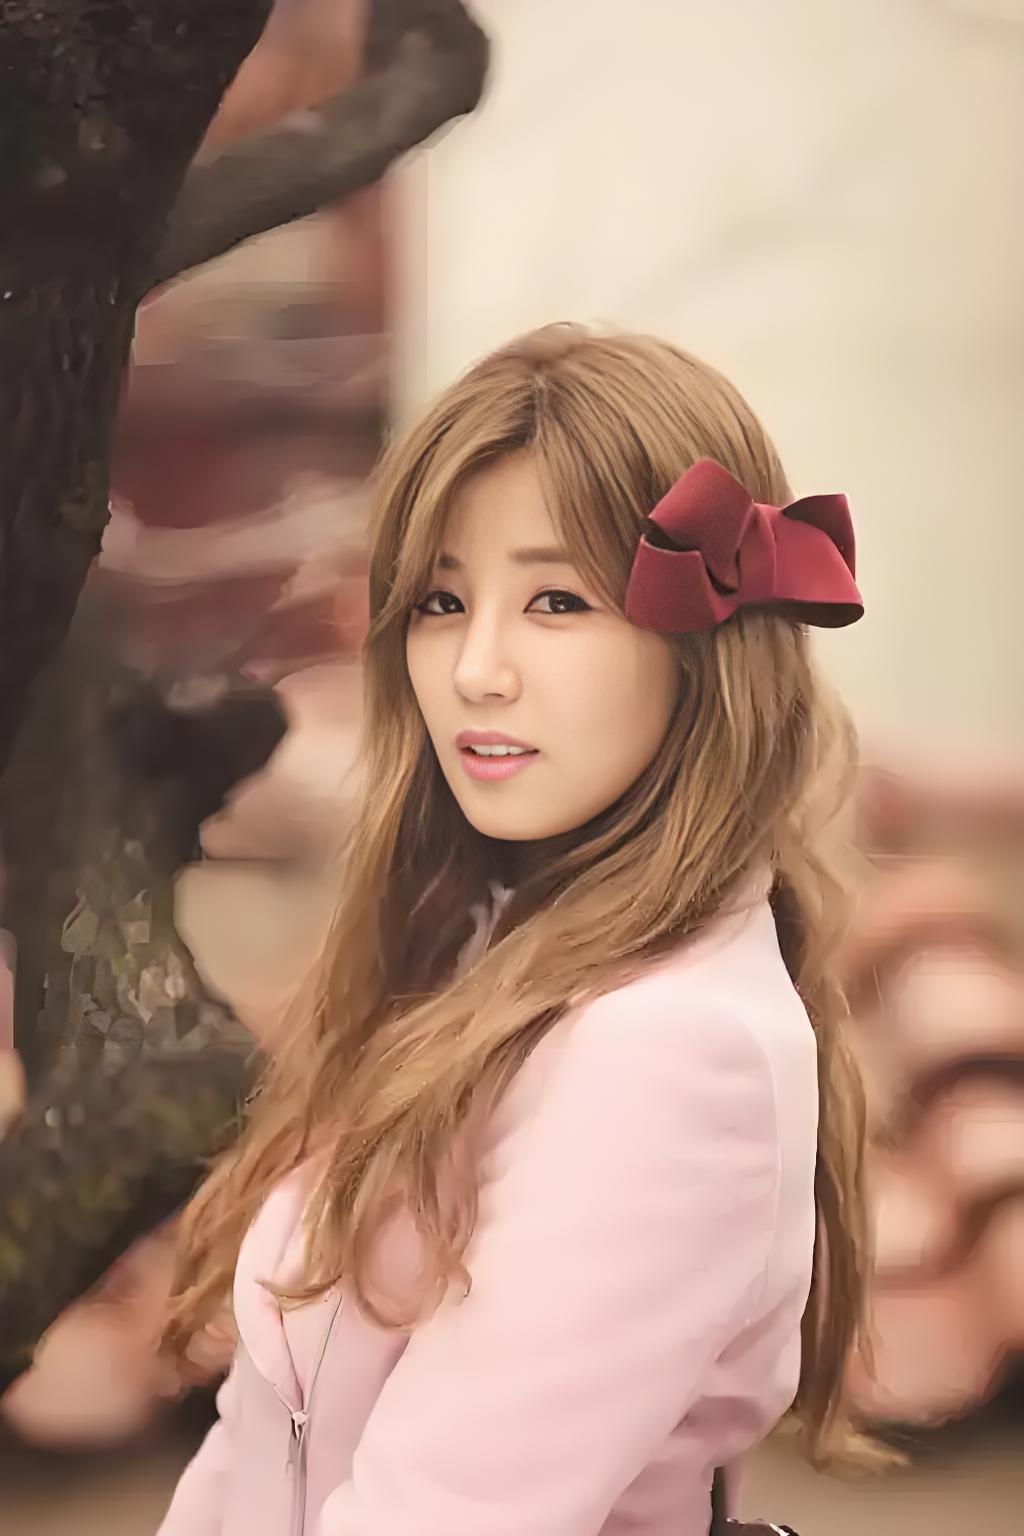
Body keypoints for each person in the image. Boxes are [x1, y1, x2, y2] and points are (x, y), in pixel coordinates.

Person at [156, 325, 869, 1536]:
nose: (475, 670)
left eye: (556, 600)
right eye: (442, 600)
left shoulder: (667, 1050)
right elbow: (254, 1446)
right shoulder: (467, 948)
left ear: (702, 652)